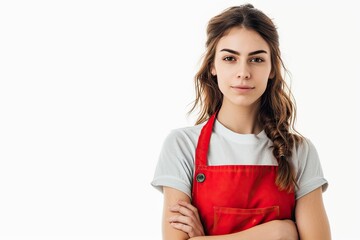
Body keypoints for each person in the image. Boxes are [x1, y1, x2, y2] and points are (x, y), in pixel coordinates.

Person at [151, 4, 331, 240]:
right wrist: (279, 232)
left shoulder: (299, 151)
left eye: (256, 59)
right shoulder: (182, 146)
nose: (243, 72)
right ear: (213, 66)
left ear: (271, 69)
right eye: (229, 58)